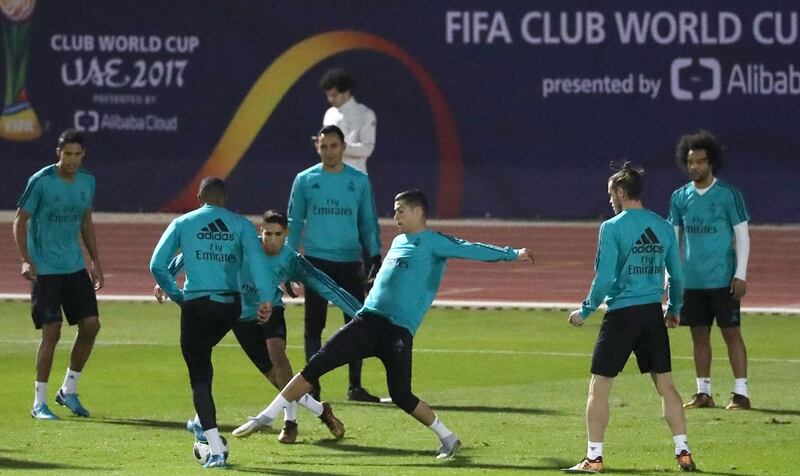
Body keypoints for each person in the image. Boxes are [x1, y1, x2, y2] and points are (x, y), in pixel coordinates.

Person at [233, 190, 534, 459]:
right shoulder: (398, 241)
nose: (395, 216)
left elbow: (472, 248)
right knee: (317, 364)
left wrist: (513, 254)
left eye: (400, 209)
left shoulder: (434, 242)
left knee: (402, 395)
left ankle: (449, 438)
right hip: (369, 321)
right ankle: (266, 417)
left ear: (418, 211)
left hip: (398, 331)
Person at [157, 210, 358, 444]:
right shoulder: (244, 245)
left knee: (278, 355)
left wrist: (361, 313)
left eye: (278, 234)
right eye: (267, 234)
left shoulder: (292, 259)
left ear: (287, 234)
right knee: (276, 378)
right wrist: (167, 276)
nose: (272, 240)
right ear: (260, 233)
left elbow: (327, 286)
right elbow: (196, 254)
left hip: (270, 310)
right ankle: (321, 411)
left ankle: (289, 423)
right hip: (241, 319)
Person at [564, 163, 696, 473]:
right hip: (652, 315)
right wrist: (674, 309)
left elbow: (605, 277)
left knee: (599, 387)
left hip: (622, 315)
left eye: (611, 194)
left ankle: (594, 458)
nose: (610, 199)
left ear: (621, 193)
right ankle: (683, 451)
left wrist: (584, 310)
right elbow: (677, 276)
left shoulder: (612, 227)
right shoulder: (663, 226)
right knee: (666, 386)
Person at [149, 177, 276, 469]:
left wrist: (178, 295)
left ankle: (214, 447)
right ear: (225, 198)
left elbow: (156, 265)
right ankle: (200, 422)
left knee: (200, 374)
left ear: (199, 197)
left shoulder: (184, 223)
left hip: (197, 305)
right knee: (204, 356)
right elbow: (257, 262)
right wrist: (266, 299)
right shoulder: (242, 225)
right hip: (231, 306)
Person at [288, 124, 382, 403]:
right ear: (317, 146)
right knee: (313, 326)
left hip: (350, 261)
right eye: (323, 146)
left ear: (343, 147)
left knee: (356, 324)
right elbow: (294, 223)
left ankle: (355, 386)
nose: (328, 151)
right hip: (315, 263)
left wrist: (374, 256)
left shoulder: (359, 181)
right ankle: (312, 387)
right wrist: (288, 261)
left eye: (333, 145)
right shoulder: (304, 180)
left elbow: (368, 222)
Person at [13, 129, 102, 420]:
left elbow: (86, 222)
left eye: (77, 154)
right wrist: (26, 260)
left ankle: (68, 390)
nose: (73, 160)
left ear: (84, 154)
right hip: (45, 269)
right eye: (67, 154)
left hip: (74, 266)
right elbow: (20, 220)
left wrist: (95, 261)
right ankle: (39, 402)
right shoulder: (41, 182)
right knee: (52, 332)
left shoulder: (87, 182)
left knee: (91, 325)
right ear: (58, 153)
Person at [669, 130, 752, 411]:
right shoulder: (680, 197)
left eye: (701, 162)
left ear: (711, 162)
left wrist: (740, 273)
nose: (695, 167)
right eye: (691, 162)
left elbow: (742, 235)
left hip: (722, 278)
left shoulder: (729, 195)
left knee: (731, 334)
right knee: (698, 336)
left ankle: (741, 393)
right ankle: (703, 392)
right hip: (692, 281)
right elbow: (673, 239)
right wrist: (672, 278)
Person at [320, 67, 376, 173]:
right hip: (330, 175)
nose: (330, 99)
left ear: (346, 92)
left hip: (354, 176)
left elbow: (368, 149)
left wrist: (341, 147)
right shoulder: (329, 114)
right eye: (328, 95)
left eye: (333, 95)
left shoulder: (365, 114)